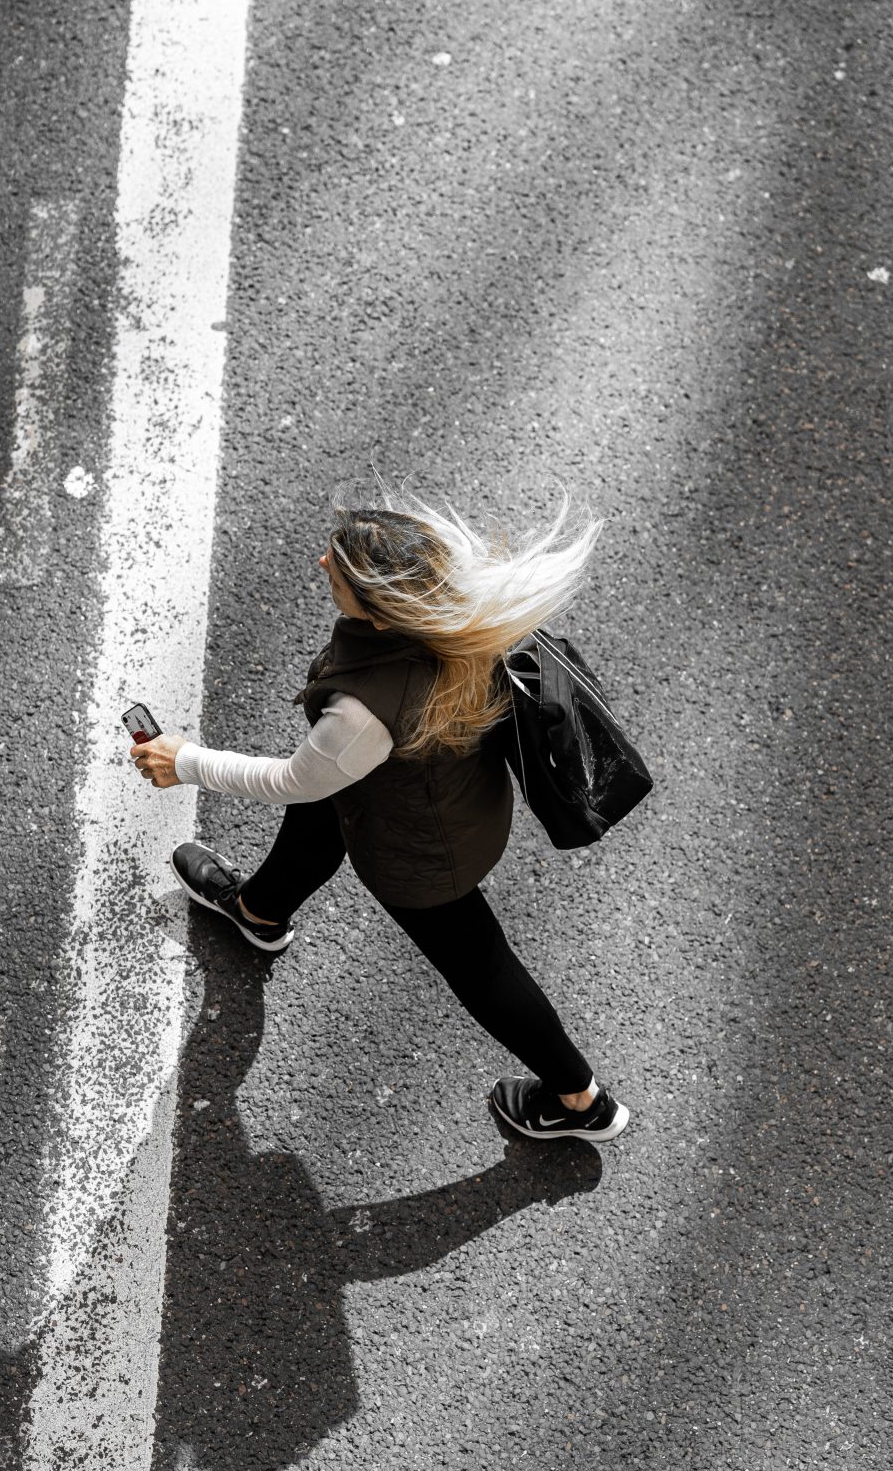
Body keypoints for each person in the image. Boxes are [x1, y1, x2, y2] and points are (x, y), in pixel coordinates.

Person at [128, 475, 629, 1144]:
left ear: (385, 615)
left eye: (338, 572)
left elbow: (295, 781)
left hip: (422, 857)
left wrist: (181, 760)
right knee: (331, 809)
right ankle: (258, 913)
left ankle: (580, 1102)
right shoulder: (458, 614)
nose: (323, 565)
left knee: (481, 968)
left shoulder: (365, 714)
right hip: (446, 803)